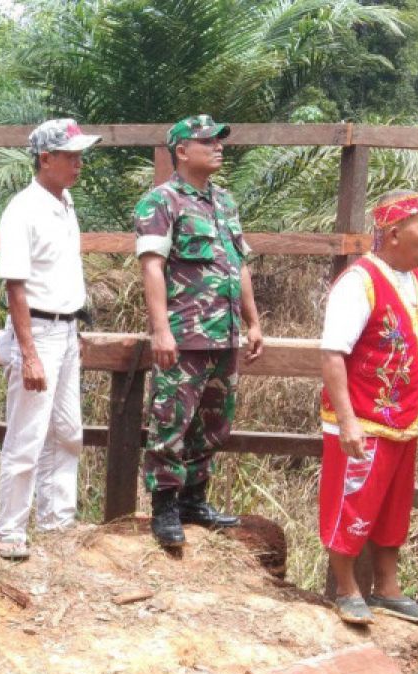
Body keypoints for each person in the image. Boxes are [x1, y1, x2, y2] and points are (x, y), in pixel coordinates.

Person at [319, 190, 418, 625]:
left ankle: (388, 588)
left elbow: (417, 340)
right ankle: (346, 589)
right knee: (353, 501)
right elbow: (333, 355)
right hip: (364, 418)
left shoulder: (416, 280)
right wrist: (346, 422)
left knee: (393, 506)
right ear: (394, 234)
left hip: (405, 418)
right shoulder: (358, 282)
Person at [134, 114, 263, 548]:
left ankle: (194, 499)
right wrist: (161, 331)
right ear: (182, 151)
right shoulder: (161, 202)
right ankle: (165, 507)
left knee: (213, 422)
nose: (218, 146)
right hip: (185, 333)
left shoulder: (224, 202)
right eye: (208, 141)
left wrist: (253, 321)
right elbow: (152, 267)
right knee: (171, 419)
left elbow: (238, 262)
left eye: (220, 140)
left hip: (224, 335)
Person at [0, 118, 100, 560]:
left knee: (68, 430)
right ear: (46, 158)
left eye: (79, 155)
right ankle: (11, 530)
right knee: (28, 434)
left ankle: (57, 520)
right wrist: (30, 353)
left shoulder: (65, 201)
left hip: (65, 327)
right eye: (70, 156)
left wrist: (75, 327)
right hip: (36, 329)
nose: (78, 164)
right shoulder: (23, 209)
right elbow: (15, 285)